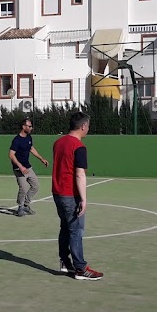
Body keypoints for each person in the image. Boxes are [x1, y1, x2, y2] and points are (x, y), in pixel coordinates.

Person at [51, 111, 103, 280]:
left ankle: (66, 263)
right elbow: (80, 174)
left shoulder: (58, 143)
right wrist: (84, 199)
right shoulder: (79, 147)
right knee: (76, 231)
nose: (88, 129)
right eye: (88, 126)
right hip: (69, 194)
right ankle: (80, 268)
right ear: (83, 126)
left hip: (57, 192)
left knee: (65, 228)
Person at [9, 117, 49, 217]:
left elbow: (31, 148)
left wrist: (41, 159)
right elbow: (11, 155)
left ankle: (26, 205)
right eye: (29, 126)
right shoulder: (16, 140)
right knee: (24, 187)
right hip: (19, 169)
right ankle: (20, 207)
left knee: (35, 186)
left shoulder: (29, 138)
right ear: (23, 127)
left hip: (28, 167)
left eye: (31, 126)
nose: (31, 128)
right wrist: (21, 167)